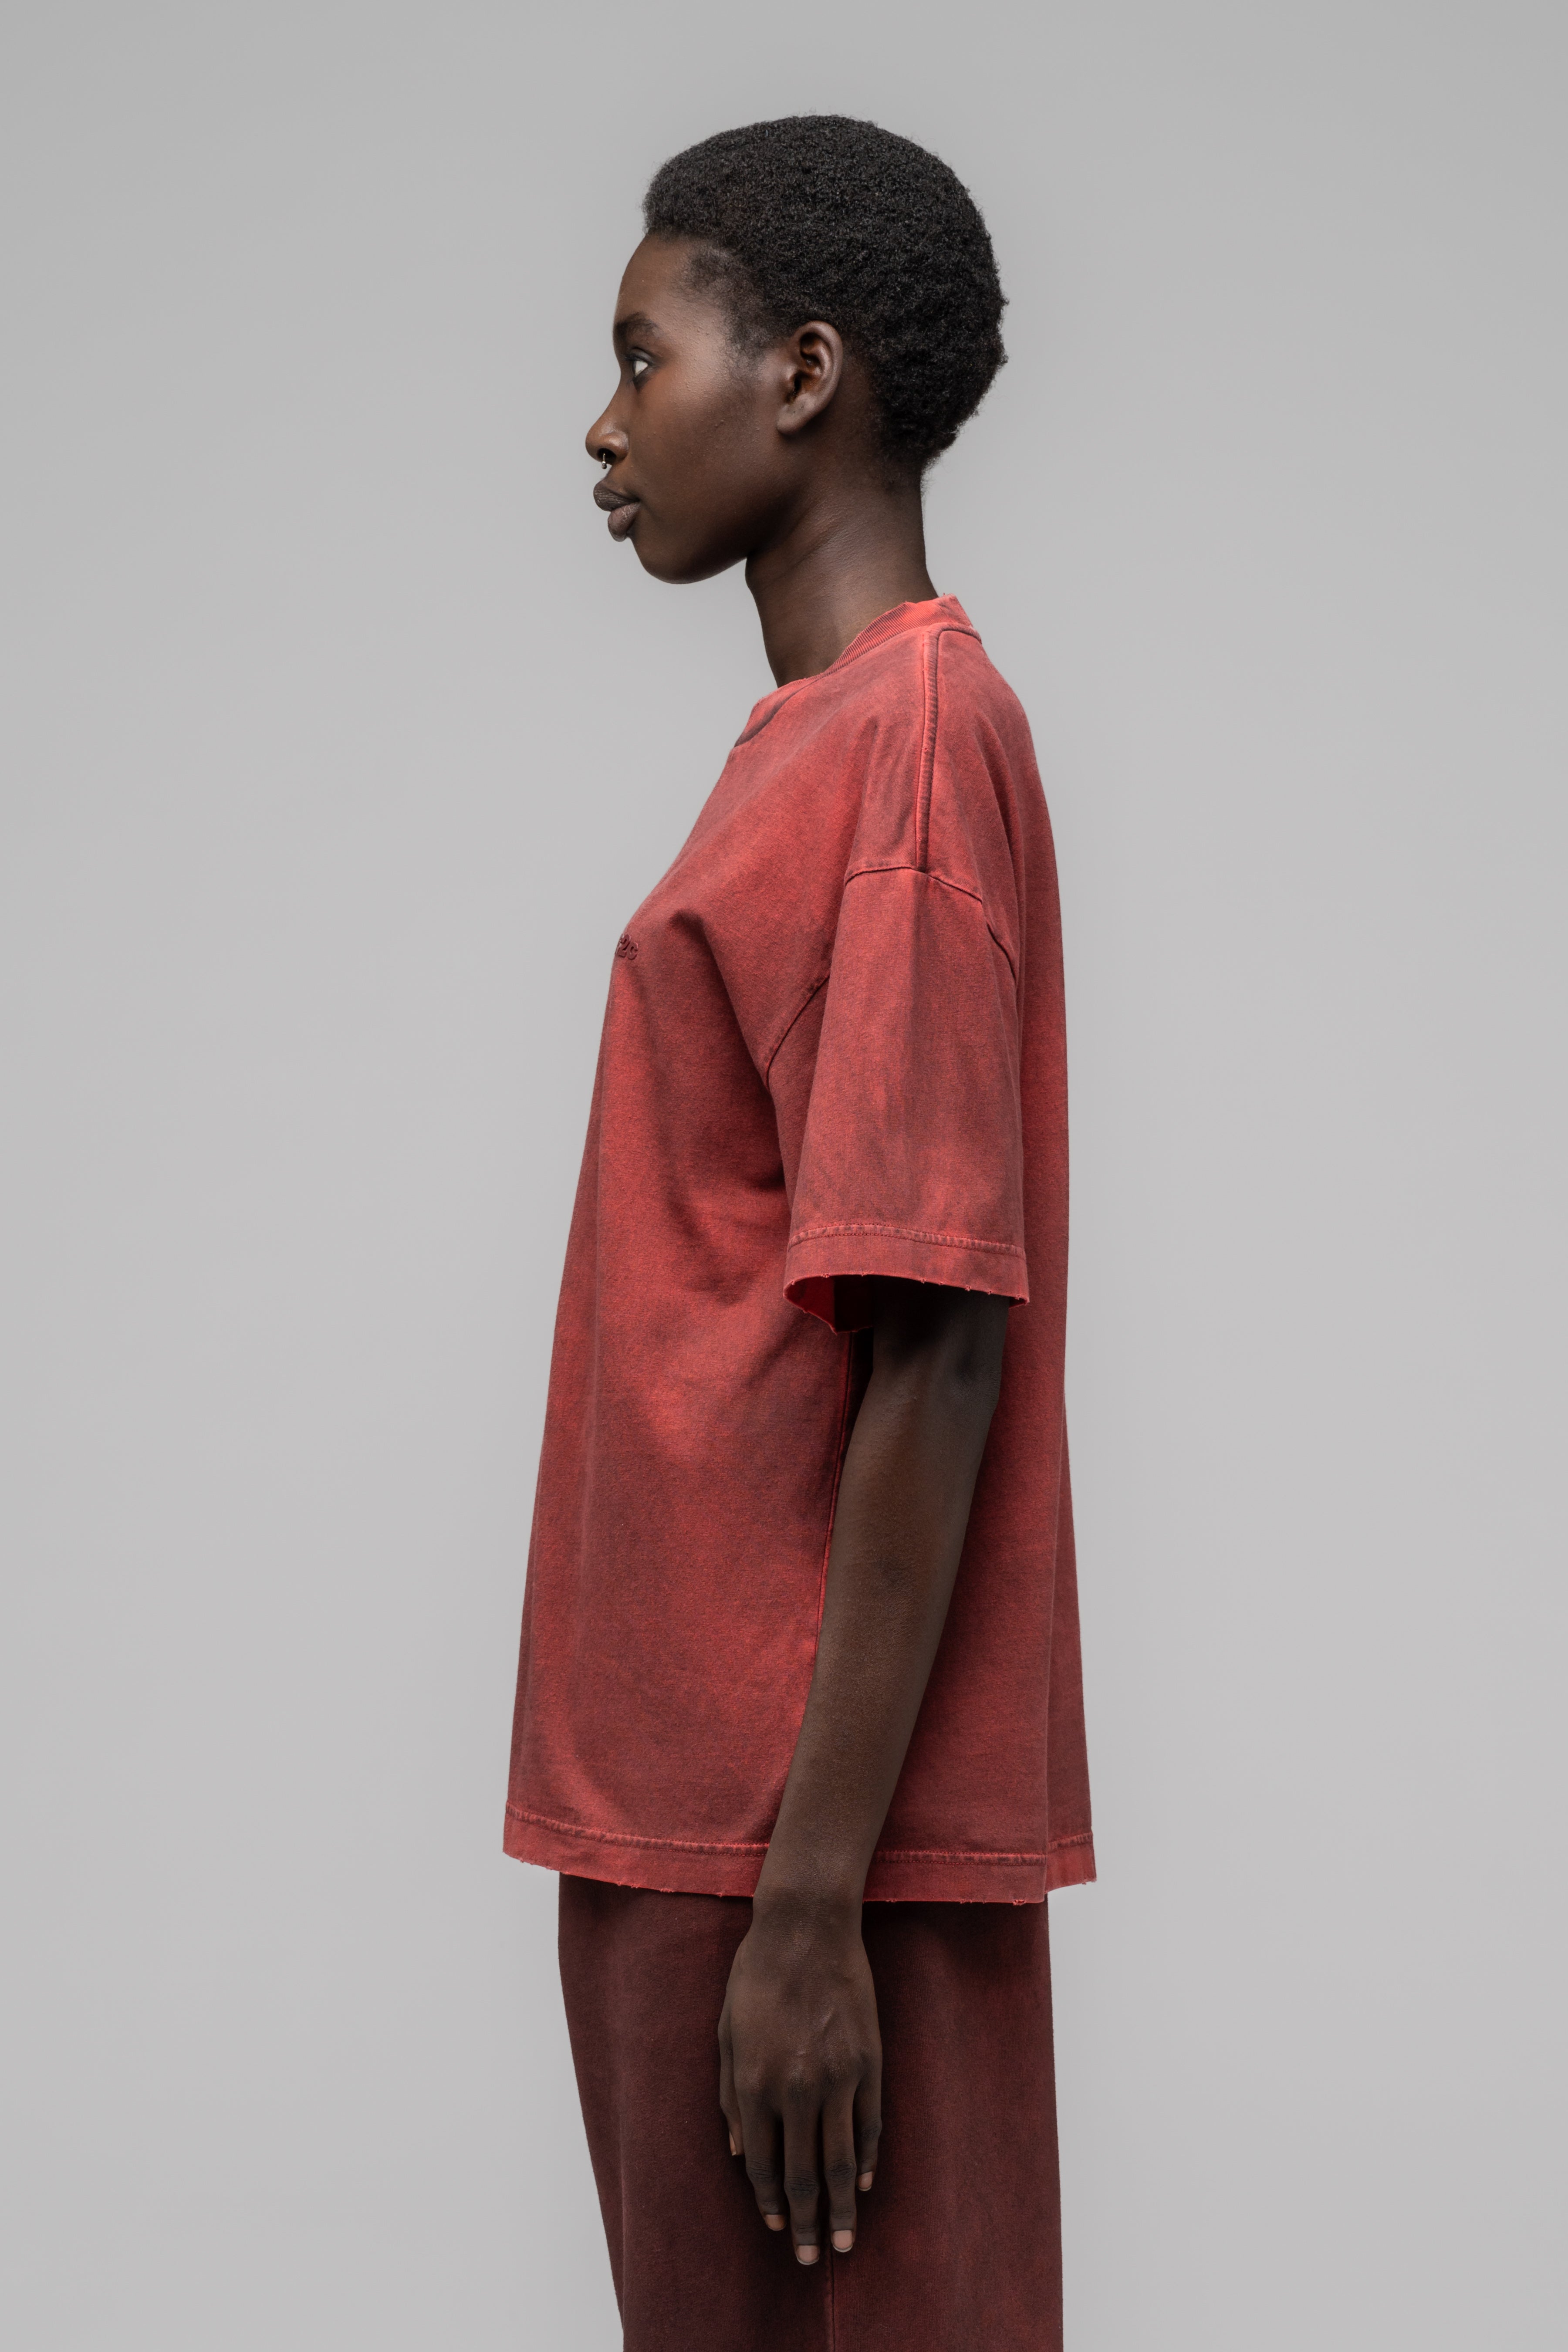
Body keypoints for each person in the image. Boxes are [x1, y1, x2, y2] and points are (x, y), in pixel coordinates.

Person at [505, 115, 1094, 2351]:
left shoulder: (911, 744)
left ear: (806, 374)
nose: (603, 425)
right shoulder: (821, 743)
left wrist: (811, 1909)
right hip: (697, 1823)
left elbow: (939, 1336)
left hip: (796, 1844)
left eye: (639, 356)